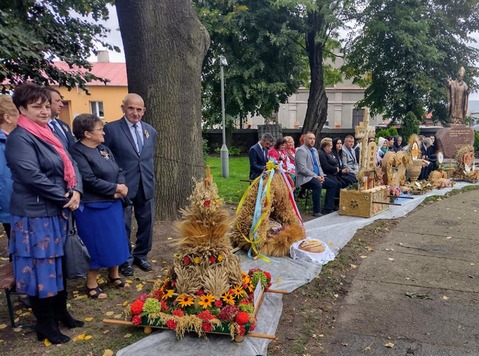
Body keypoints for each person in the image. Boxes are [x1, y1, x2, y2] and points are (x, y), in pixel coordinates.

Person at [6, 83, 83, 344]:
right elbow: (32, 176)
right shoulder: (20, 138)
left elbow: (70, 163)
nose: (44, 110)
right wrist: (66, 197)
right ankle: (45, 324)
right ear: (21, 109)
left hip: (56, 210)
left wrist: (77, 191)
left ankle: (60, 312)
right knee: (41, 270)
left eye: (46, 105)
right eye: (37, 106)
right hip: (34, 216)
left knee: (58, 265)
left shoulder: (49, 132)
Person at [69, 114, 131, 299]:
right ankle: (91, 282)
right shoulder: (77, 152)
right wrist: (114, 188)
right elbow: (88, 180)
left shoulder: (103, 148)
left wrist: (121, 186)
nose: (104, 132)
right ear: (87, 133)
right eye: (100, 129)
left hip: (113, 204)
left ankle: (114, 274)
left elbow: (118, 169)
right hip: (92, 207)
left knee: (115, 240)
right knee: (95, 244)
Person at [103, 93, 157, 276]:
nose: (135, 112)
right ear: (123, 108)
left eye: (139, 109)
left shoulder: (150, 131)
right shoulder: (111, 129)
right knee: (123, 224)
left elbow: (146, 159)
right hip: (123, 186)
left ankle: (141, 255)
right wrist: (115, 183)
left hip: (146, 184)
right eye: (131, 108)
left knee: (146, 223)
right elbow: (107, 158)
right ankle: (124, 259)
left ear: (144, 111)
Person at [295, 132, 338, 217]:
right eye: (310, 138)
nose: (312, 140)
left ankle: (327, 209)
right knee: (317, 185)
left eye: (314, 139)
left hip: (317, 176)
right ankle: (316, 211)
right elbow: (302, 169)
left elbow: (318, 165)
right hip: (305, 178)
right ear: (305, 139)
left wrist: (321, 175)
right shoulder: (301, 150)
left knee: (332, 184)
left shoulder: (314, 150)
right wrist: (316, 176)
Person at [0, 95, 19, 242]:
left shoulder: (16, 137)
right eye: (18, 113)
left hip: (20, 203)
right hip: (10, 205)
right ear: (8, 117)